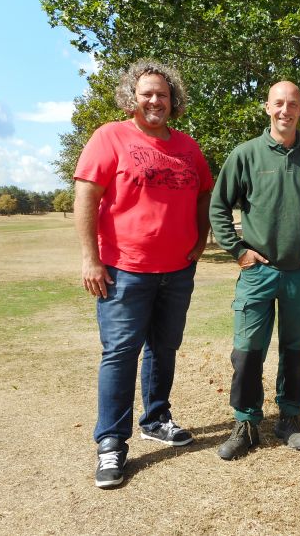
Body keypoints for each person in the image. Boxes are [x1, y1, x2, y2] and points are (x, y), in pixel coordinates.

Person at [73, 59, 212, 488]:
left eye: (163, 95)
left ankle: (156, 418)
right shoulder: (110, 136)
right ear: (132, 97)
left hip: (177, 271)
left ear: (174, 101)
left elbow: (204, 193)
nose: (155, 101)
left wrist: (201, 238)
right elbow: (86, 195)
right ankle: (111, 443)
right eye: (147, 93)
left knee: (163, 349)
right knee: (120, 354)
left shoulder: (188, 146)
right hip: (124, 270)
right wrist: (90, 258)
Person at [209, 81, 300, 460]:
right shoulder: (246, 155)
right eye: (278, 103)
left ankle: (289, 419)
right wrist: (237, 250)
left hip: (299, 274)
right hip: (258, 274)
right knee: (247, 352)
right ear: (267, 107)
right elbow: (218, 206)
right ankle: (246, 423)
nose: (285, 110)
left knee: (296, 351)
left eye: (292, 104)